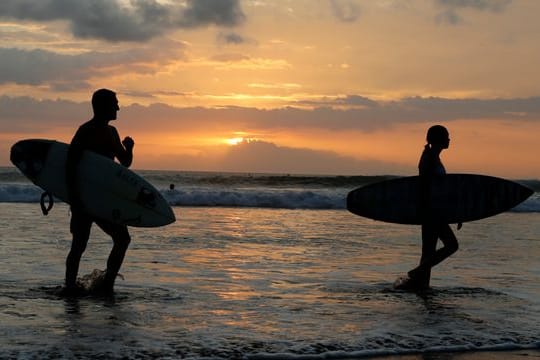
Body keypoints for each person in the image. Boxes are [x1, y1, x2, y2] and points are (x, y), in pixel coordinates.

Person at [64, 89, 135, 295]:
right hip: (85, 198)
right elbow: (70, 165)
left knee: (122, 239)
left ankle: (107, 285)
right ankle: (69, 287)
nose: (118, 108)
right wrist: (75, 199)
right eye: (115, 103)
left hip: (103, 199)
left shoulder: (113, 132)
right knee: (79, 245)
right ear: (103, 106)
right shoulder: (85, 131)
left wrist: (129, 147)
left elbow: (125, 163)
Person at [399, 125, 459, 290]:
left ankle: (419, 286)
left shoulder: (432, 156)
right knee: (452, 245)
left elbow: (440, 189)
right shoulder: (429, 158)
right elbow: (425, 188)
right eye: (446, 136)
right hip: (431, 211)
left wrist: (456, 212)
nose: (449, 139)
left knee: (428, 252)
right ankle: (417, 273)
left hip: (432, 210)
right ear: (438, 138)